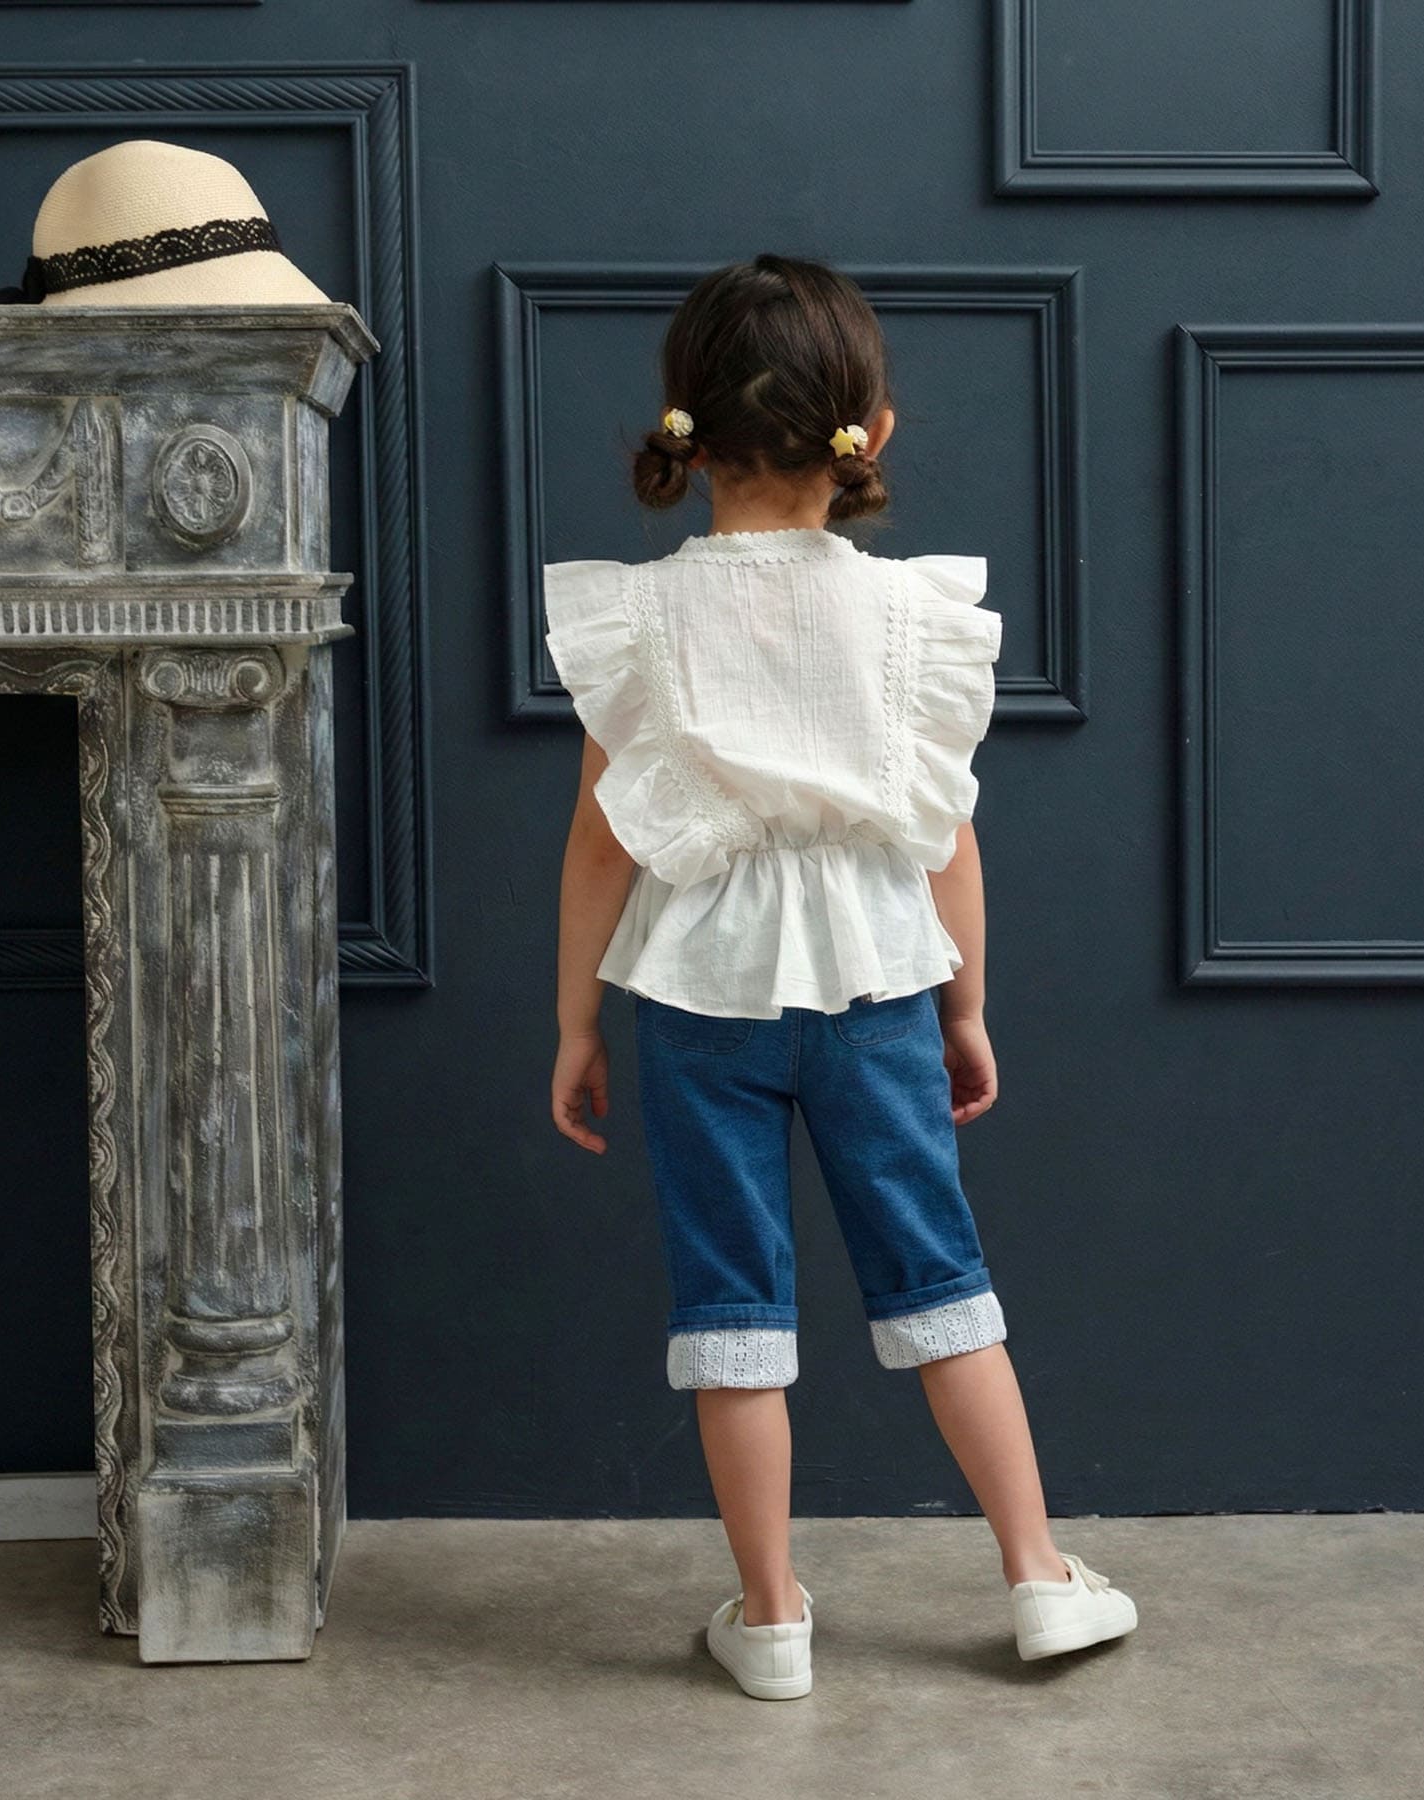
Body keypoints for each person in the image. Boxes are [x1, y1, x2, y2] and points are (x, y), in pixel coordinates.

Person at [543, 253, 1136, 1698]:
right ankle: (1039, 1576)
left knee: (731, 1307)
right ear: (868, 428)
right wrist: (966, 1005)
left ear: (687, 430)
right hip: (879, 989)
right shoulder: (910, 618)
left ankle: (772, 1622)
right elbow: (948, 838)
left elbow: (602, 844)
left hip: (695, 998)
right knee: (940, 1279)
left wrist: (574, 1022)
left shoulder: (642, 620)